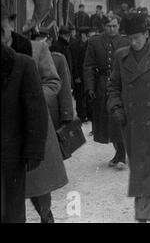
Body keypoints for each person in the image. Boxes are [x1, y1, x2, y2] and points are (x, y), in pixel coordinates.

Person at [107, 13, 150, 223]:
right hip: (132, 123)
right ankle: (146, 208)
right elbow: (113, 86)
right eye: (130, 38)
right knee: (140, 169)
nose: (133, 42)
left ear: (147, 34)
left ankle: (148, 206)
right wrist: (116, 106)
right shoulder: (121, 56)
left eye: (137, 37)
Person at [1, 38, 48, 223]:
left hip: (10, 154)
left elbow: (36, 111)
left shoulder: (22, 64)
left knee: (10, 212)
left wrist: (34, 151)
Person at [25, 27, 68, 223]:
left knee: (39, 181)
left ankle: (46, 215)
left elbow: (52, 82)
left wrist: (29, 101)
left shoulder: (37, 48)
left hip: (33, 123)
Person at [84, 15, 129, 169]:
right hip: (102, 84)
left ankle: (121, 154)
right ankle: (118, 152)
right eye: (109, 26)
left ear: (119, 26)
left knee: (119, 118)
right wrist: (90, 87)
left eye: (114, 26)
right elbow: (88, 66)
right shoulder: (94, 42)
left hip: (121, 85)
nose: (112, 29)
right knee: (106, 120)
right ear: (104, 26)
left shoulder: (126, 42)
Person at [70, 27, 91, 122]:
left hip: (87, 74)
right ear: (83, 35)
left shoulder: (90, 44)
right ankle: (81, 115)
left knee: (87, 94)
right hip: (79, 74)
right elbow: (74, 62)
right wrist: (76, 75)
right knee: (79, 95)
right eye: (88, 35)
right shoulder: (74, 46)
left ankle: (87, 113)